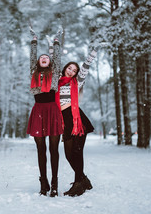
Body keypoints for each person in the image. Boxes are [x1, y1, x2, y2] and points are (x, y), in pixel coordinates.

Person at [55, 44, 99, 197]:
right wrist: (54, 43)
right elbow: (53, 62)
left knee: (77, 152)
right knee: (68, 154)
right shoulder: (57, 82)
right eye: (70, 68)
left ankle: (78, 185)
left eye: (74, 70)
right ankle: (83, 179)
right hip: (65, 121)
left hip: (78, 119)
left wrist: (93, 52)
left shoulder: (76, 82)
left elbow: (86, 67)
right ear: (65, 68)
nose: (72, 71)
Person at [26, 26, 63, 197]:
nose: (43, 58)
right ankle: (43, 182)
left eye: (46, 57)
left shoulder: (55, 72)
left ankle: (55, 184)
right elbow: (32, 55)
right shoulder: (33, 72)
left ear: (50, 62)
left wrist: (56, 41)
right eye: (41, 57)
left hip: (52, 111)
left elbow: (57, 56)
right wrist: (34, 39)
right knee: (40, 149)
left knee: (53, 149)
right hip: (38, 111)